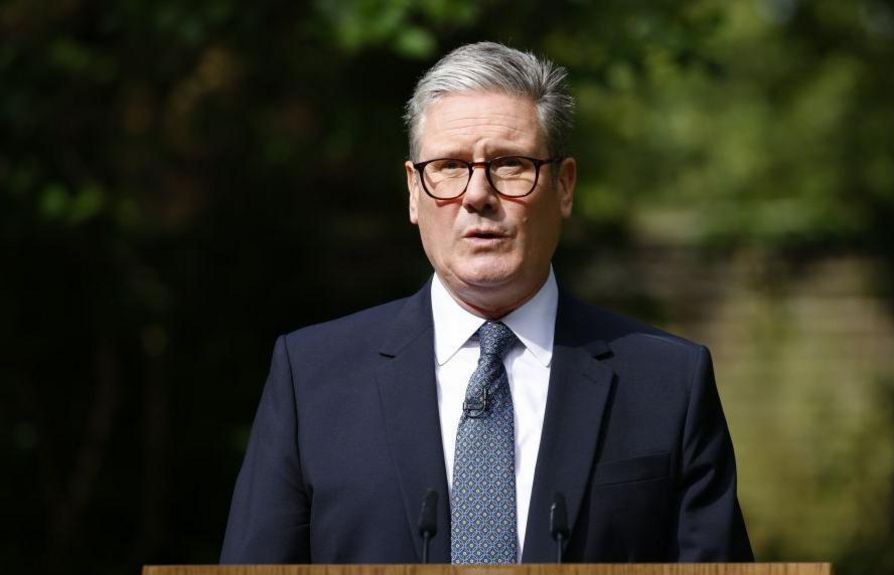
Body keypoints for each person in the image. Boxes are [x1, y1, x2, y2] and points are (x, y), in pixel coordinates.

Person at [220, 41, 753, 564]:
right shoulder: (312, 378)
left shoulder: (667, 382)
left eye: (510, 164)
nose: (478, 195)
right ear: (413, 191)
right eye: (450, 166)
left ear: (564, 187)